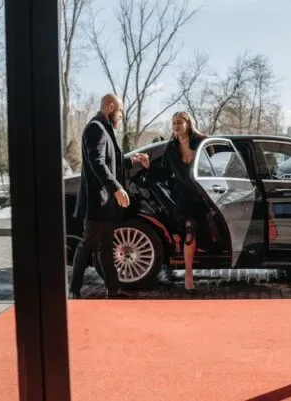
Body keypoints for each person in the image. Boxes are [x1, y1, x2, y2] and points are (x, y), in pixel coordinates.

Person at [69, 93, 147, 299]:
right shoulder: (96, 128)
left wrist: (133, 160)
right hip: (97, 201)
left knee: (105, 248)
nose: (121, 115)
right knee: (87, 245)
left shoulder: (104, 129)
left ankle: (113, 290)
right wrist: (117, 188)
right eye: (120, 111)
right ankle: (74, 290)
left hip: (106, 203)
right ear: (111, 107)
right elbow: (98, 163)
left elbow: (113, 161)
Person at [140, 111, 207, 291]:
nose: (176, 126)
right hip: (183, 196)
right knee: (189, 230)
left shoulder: (202, 142)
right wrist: (148, 166)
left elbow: (214, 167)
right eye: (174, 123)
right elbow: (164, 174)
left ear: (188, 123)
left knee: (201, 232)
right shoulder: (171, 148)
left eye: (179, 122)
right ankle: (188, 273)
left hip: (203, 195)